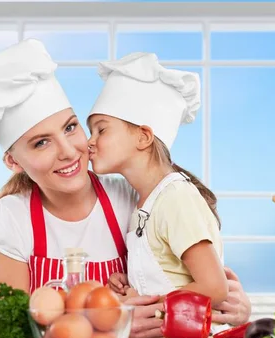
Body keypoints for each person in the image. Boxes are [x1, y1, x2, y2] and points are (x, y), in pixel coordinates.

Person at [0, 39, 251, 338]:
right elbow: (8, 328)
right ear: (13, 162)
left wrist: (233, 306)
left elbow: (197, 280)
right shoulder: (9, 219)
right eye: (41, 143)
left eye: (71, 127)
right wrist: (110, 322)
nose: (69, 151)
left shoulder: (134, 198)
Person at [86, 52, 231, 322]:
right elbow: (171, 274)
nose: (89, 142)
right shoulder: (146, 201)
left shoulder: (176, 198)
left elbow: (214, 288)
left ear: (143, 137)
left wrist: (143, 305)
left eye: (101, 130)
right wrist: (132, 285)